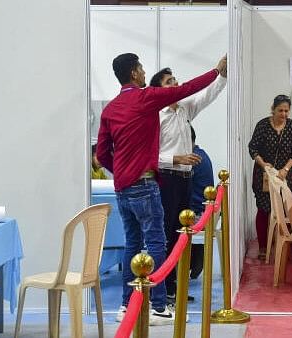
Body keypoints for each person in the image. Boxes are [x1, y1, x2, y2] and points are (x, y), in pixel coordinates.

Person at [97, 52, 226, 325]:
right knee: (157, 242)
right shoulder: (147, 98)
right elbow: (188, 88)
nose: (144, 72)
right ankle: (157, 306)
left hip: (123, 188)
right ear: (134, 73)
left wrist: (120, 170)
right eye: (141, 68)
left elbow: (103, 155)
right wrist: (215, 70)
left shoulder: (110, 109)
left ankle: (126, 304)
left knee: (132, 244)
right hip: (146, 184)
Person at [149, 61, 226, 303]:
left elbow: (208, 95)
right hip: (167, 179)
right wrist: (177, 158)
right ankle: (162, 290)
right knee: (166, 235)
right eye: (169, 82)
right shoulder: (155, 116)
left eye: (175, 80)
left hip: (185, 179)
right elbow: (150, 156)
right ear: (159, 90)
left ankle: (174, 287)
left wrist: (222, 74)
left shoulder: (184, 109)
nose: (176, 85)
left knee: (180, 235)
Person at [248, 95, 292, 260]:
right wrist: (264, 165)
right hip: (263, 174)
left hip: (284, 174)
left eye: (286, 111)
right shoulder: (263, 125)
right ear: (273, 109)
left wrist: (285, 169)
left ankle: (283, 245)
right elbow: (253, 149)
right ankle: (263, 246)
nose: (283, 114)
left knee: (284, 210)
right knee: (264, 210)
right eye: (280, 110)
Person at [188, 125, 214, 280]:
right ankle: (196, 258)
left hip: (197, 214)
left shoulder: (192, 160)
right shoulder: (202, 154)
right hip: (203, 211)